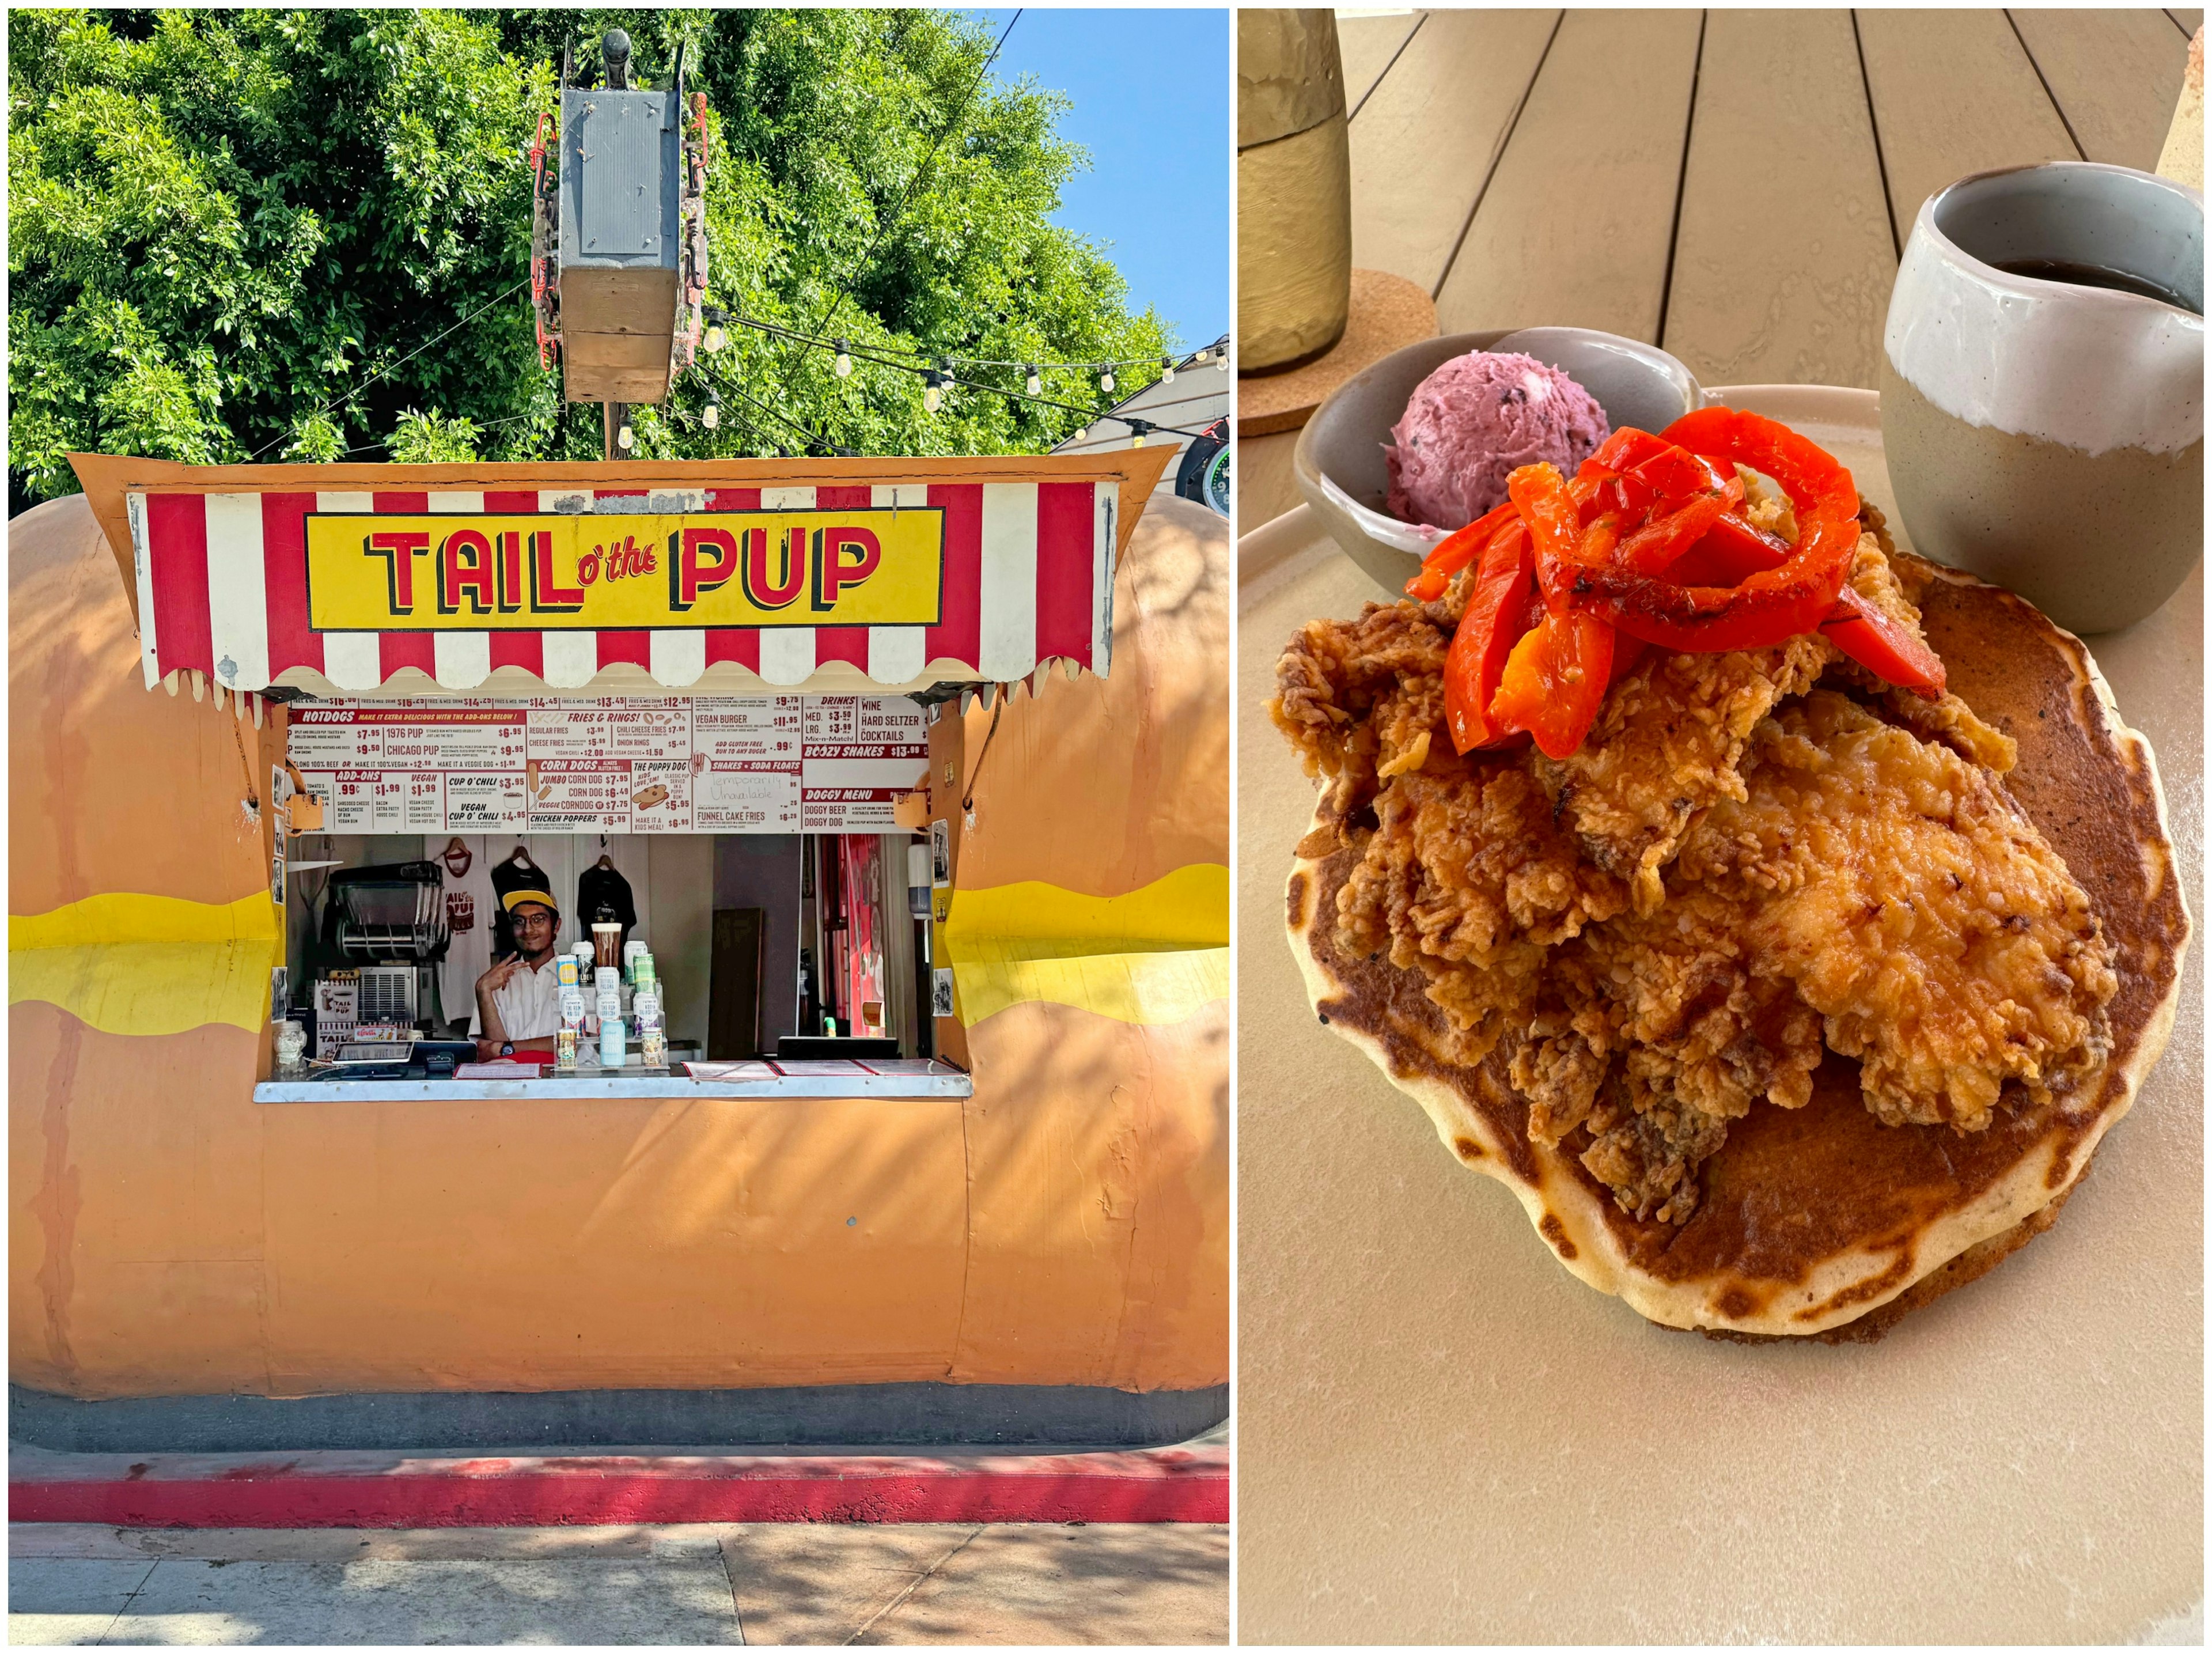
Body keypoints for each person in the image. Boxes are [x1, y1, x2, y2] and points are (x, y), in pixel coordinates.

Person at [474, 877, 565, 1061]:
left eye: (538, 920)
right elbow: (492, 1054)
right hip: (510, 1086)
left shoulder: (576, 977)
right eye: (519, 922)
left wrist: (510, 1047)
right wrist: (483, 990)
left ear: (556, 926)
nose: (528, 930)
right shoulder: (495, 982)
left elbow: (578, 1043)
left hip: (562, 1084)